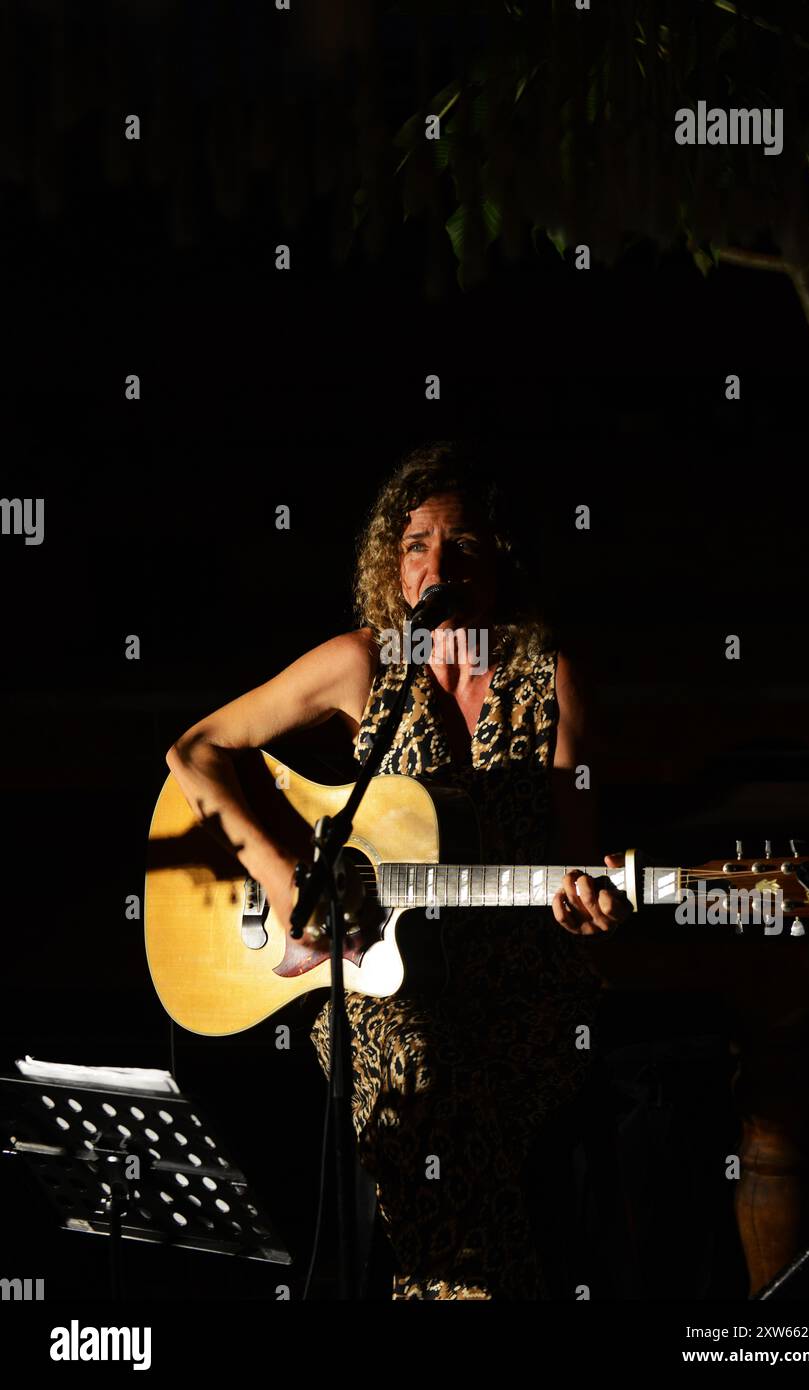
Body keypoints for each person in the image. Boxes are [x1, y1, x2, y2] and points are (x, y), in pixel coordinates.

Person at [166, 440, 633, 1299]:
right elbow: (193, 751)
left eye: (460, 543)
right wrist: (279, 879)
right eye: (415, 544)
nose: (435, 563)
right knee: (415, 1055)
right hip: (382, 980)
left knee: (447, 1082)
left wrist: (583, 902)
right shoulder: (363, 664)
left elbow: (573, 862)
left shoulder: (552, 681)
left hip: (516, 985)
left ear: (500, 558)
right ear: (392, 563)